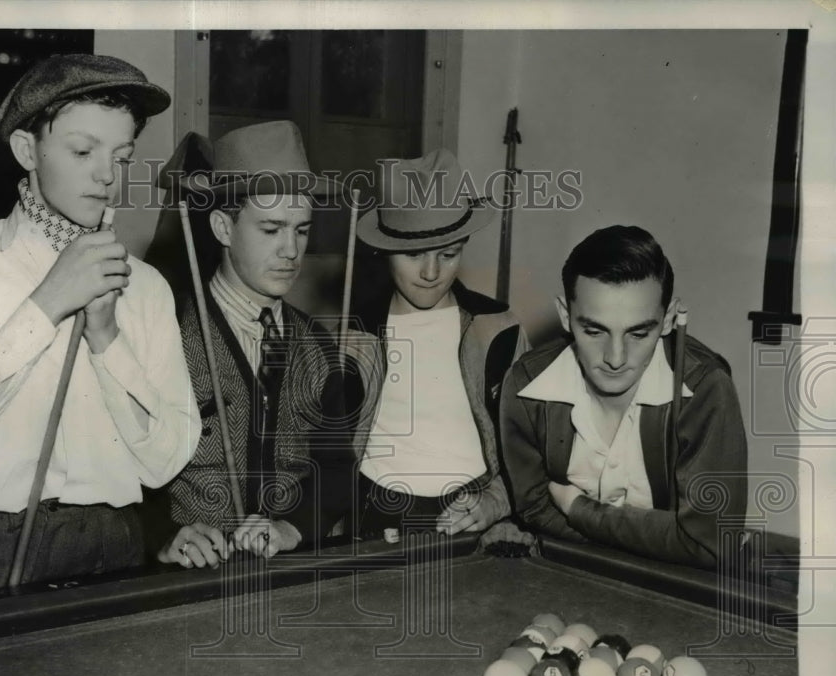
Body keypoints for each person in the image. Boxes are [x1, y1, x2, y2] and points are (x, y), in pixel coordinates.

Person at [0, 54, 200, 592]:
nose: (107, 176)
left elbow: (164, 463)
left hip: (113, 543)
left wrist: (107, 338)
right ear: (27, 150)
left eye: (122, 156)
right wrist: (48, 302)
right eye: (83, 150)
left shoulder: (148, 287)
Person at [156, 120, 355, 568]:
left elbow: (339, 470)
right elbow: (125, 470)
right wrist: (165, 536)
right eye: (271, 230)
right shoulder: (167, 331)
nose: (291, 251)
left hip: (291, 575)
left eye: (301, 230)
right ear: (223, 228)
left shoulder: (318, 345)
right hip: (192, 579)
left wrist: (292, 527)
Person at [499, 225, 747, 568]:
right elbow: (535, 509)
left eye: (638, 332)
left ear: (669, 320)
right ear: (565, 316)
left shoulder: (706, 389)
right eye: (595, 330)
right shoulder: (525, 385)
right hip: (569, 574)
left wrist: (578, 508)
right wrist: (658, 540)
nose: (615, 358)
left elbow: (709, 544)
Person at [347, 149, 533, 546]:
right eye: (413, 255)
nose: (431, 274)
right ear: (382, 248)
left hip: (471, 518)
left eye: (448, 255)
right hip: (374, 520)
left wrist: (497, 501)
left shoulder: (499, 329)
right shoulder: (351, 335)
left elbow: (531, 444)